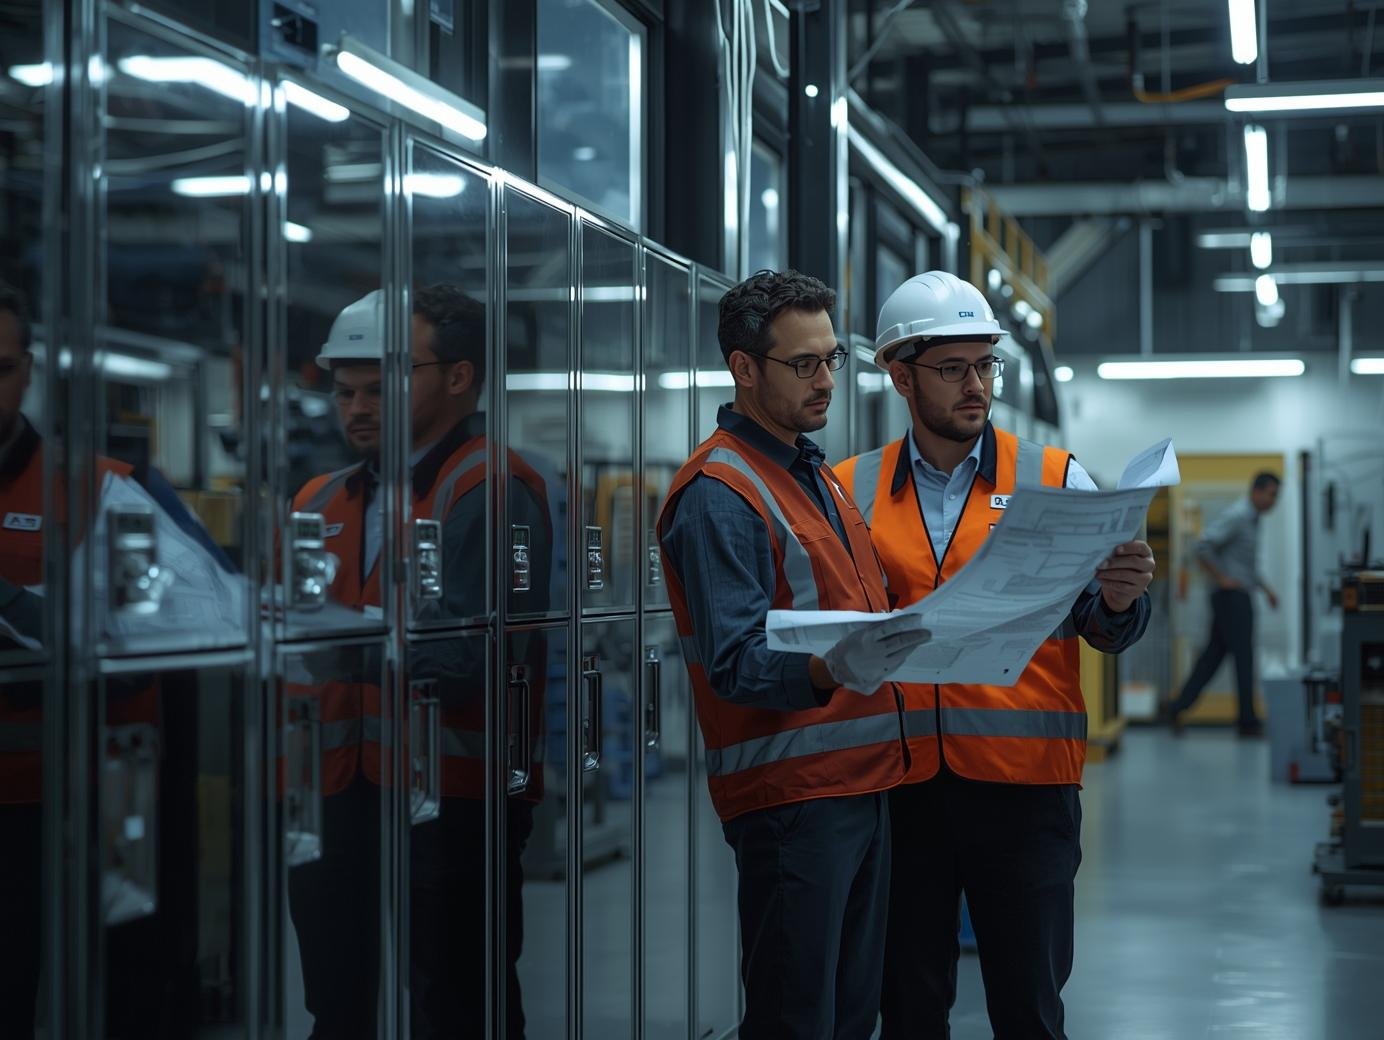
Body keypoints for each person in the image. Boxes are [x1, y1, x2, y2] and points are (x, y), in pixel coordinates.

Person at [834, 271, 1154, 1040]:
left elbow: (1102, 625)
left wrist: (1118, 600)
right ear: (899, 375)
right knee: (909, 1004)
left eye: (985, 366)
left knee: (1029, 1007)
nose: (976, 386)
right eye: (953, 369)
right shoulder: (851, 490)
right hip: (902, 787)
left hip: (1027, 792)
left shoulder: (1055, 478)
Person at [656, 269, 932, 1039]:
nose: (825, 381)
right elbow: (735, 660)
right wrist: (830, 666)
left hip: (865, 786)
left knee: (849, 1017)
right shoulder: (720, 491)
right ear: (744, 369)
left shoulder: (815, 475)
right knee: (793, 1018)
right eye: (803, 364)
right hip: (791, 801)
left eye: (833, 359)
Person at [287, 285, 551, 1038]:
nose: (357, 408)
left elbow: (467, 660)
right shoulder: (317, 499)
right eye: (345, 391)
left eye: (383, 386)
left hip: (450, 801)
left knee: (458, 1007)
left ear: (459, 378)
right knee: (335, 1005)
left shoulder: (488, 488)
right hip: (333, 795)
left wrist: (342, 647)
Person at [1164, 471, 1280, 737]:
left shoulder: (1253, 520)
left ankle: (1176, 707)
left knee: (1213, 656)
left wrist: (1267, 589)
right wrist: (1221, 578)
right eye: (1272, 494)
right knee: (1243, 657)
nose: (1274, 501)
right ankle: (1247, 722)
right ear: (1257, 491)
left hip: (1237, 594)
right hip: (1232, 598)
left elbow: (1244, 565)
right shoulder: (1239, 516)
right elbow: (1203, 545)